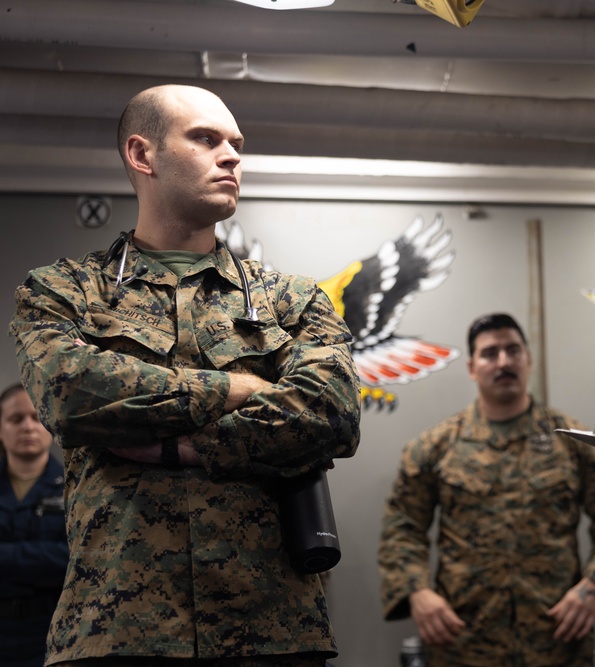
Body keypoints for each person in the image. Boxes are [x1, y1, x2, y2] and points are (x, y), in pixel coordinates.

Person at [8, 84, 361, 666]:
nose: (232, 156)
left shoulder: (288, 299)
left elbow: (332, 414)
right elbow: (69, 392)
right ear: (142, 155)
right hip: (116, 628)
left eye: (236, 144)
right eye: (205, 139)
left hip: (271, 628)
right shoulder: (65, 289)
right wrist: (236, 387)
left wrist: (182, 448)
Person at [377, 313, 595, 667]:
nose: (503, 361)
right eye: (490, 353)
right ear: (472, 367)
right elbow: (401, 527)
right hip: (464, 645)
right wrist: (417, 591)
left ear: (528, 360)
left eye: (513, 350)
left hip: (555, 643)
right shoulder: (436, 446)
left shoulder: (571, 440)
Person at [0, 383, 68, 667]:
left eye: (37, 416)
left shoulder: (76, 489)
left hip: (51, 636)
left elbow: (74, 560)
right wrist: (41, 557)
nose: (28, 427)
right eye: (16, 419)